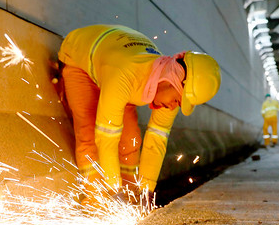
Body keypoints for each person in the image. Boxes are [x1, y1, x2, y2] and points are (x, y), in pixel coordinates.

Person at [57, 24, 221, 202]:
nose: (174, 107)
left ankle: (130, 196)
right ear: (172, 80)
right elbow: (106, 138)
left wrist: (146, 191)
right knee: (89, 133)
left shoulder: (170, 83)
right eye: (178, 100)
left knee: (130, 140)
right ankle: (96, 200)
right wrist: (114, 190)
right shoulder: (126, 75)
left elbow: (157, 139)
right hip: (81, 60)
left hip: (116, 64)